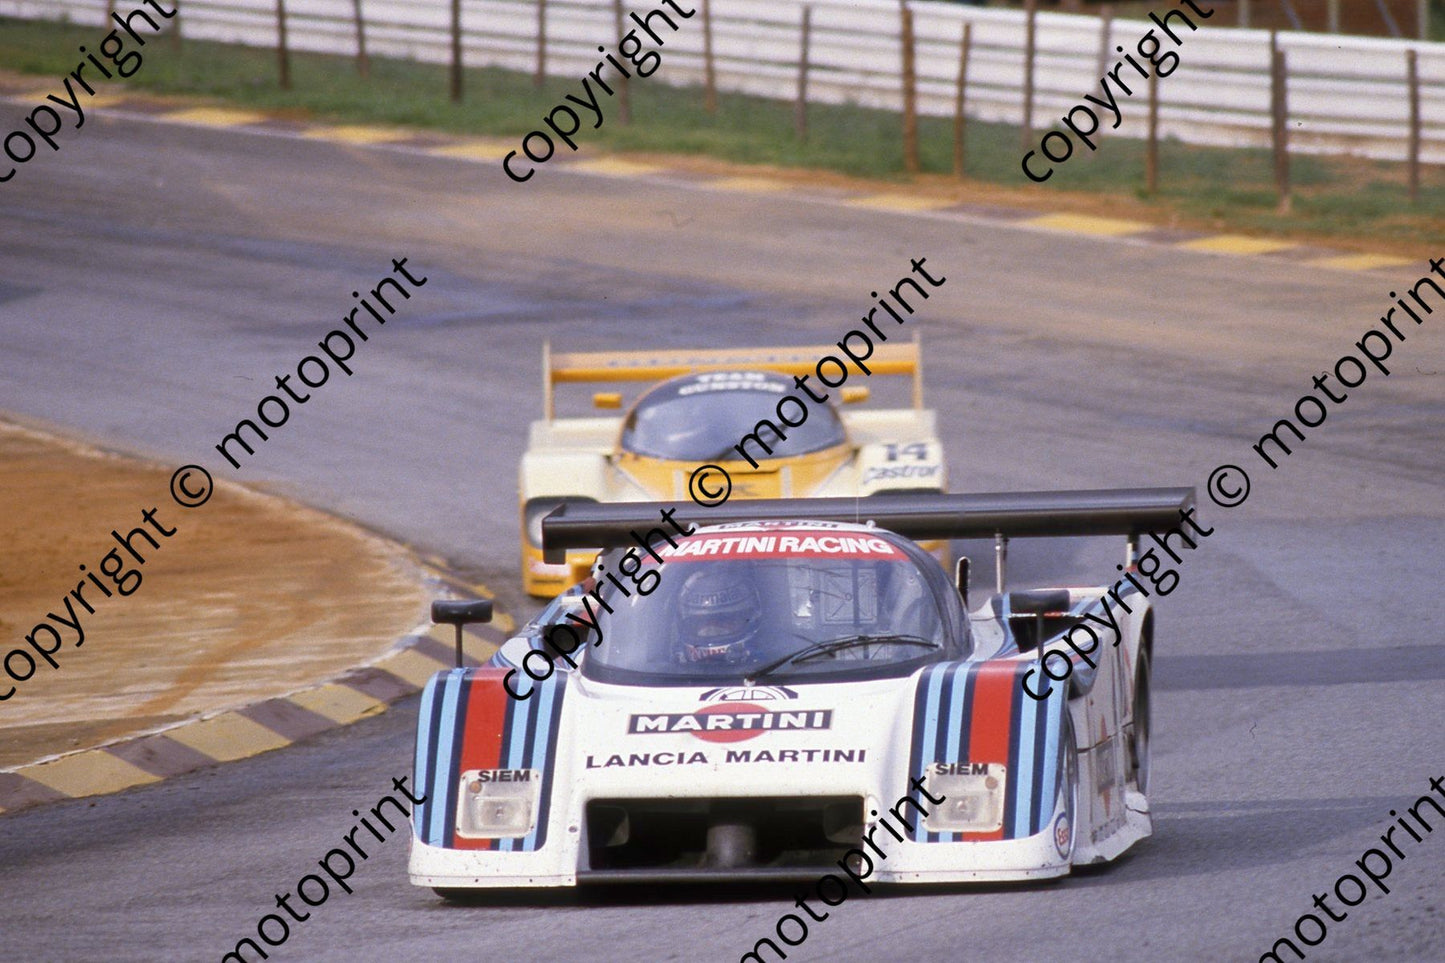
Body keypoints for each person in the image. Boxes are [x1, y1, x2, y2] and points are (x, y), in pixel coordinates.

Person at [675, 566, 762, 664]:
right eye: (699, 622)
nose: (711, 630)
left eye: (725, 620)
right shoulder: (665, 671)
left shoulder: (772, 668)